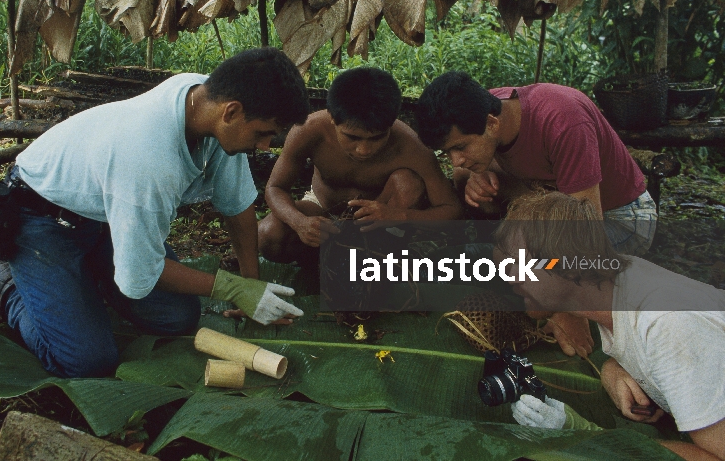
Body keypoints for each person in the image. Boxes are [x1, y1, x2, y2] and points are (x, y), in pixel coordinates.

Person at [0, 48, 311, 378]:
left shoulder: (208, 99)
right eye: (263, 135)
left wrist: (250, 285)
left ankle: (84, 275)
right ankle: (3, 281)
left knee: (176, 316)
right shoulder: (149, 160)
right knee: (86, 360)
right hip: (42, 220)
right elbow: (139, 279)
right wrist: (233, 289)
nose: (265, 146)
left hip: (103, 213)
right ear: (232, 112)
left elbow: (237, 207)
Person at [497, 192, 725, 461]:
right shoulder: (617, 287)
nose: (508, 276)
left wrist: (588, 439)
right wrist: (612, 368)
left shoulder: (666, 322)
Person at [415, 71, 657, 257]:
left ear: (491, 124)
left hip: (619, 216)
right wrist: (477, 176)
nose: (456, 160)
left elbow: (584, 229)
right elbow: (461, 169)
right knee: (464, 179)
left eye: (460, 148)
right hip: (555, 199)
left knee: (541, 261)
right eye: (447, 152)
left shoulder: (563, 122)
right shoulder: (485, 105)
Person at [259, 66, 462, 268]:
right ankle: (321, 262)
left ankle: (377, 259)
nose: (363, 150)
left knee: (406, 183)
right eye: (352, 137)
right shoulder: (309, 130)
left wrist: (399, 216)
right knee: (269, 234)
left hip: (381, 227)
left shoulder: (412, 147)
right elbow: (275, 188)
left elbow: (452, 210)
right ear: (332, 118)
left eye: (377, 138)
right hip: (322, 207)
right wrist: (299, 222)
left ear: (391, 123)